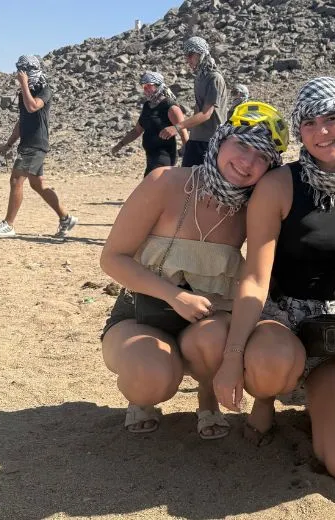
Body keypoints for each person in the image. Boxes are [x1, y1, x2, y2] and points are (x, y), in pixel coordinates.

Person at [213, 77, 335, 480]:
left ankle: (322, 397)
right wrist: (233, 358)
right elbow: (255, 276)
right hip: (279, 322)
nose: (321, 131)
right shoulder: (278, 185)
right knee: (271, 364)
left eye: (332, 118)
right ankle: (265, 399)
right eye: (308, 122)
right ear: (300, 131)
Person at [99, 102, 288, 439]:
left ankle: (207, 396)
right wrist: (175, 296)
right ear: (221, 139)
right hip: (141, 314)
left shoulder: (256, 207)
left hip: (208, 319)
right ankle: (143, 397)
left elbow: (303, 189)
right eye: (241, 145)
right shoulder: (166, 182)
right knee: (149, 379)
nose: (247, 162)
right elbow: (113, 258)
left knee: (216, 339)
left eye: (262, 157)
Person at [0, 55, 77, 238]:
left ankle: (9, 224)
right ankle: (66, 218)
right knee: (38, 185)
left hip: (36, 143)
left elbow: (32, 107)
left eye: (23, 70)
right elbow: (22, 121)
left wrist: (23, 84)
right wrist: (8, 144)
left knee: (16, 180)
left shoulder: (44, 89)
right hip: (27, 142)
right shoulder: (25, 92)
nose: (20, 73)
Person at [159, 37, 229, 167]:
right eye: (186, 56)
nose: (187, 60)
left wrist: (177, 127)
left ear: (201, 53)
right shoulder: (199, 78)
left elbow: (206, 113)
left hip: (211, 141)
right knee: (186, 183)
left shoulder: (214, 78)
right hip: (196, 139)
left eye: (190, 55)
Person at [111, 71, 189, 176]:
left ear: (158, 86)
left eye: (149, 86)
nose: (146, 89)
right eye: (144, 86)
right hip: (151, 157)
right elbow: (137, 130)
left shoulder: (170, 106)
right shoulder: (148, 106)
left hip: (164, 157)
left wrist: (189, 157)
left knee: (150, 188)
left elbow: (183, 132)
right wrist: (120, 145)